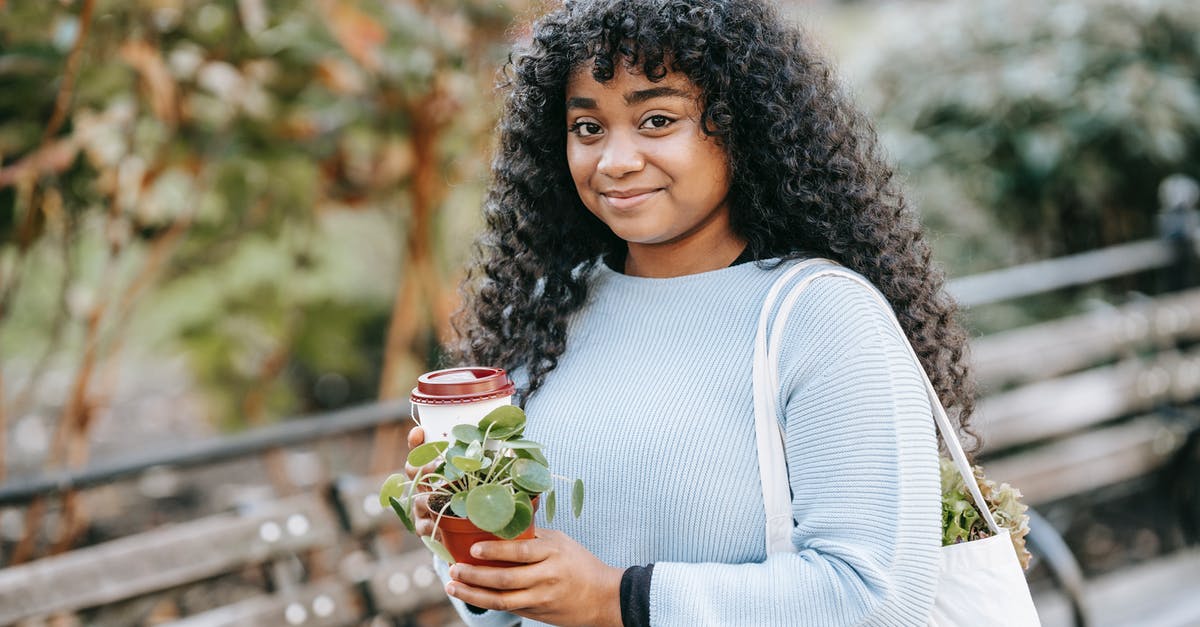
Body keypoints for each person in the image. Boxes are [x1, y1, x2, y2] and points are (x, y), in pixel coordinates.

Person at [405, 0, 979, 625]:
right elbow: (508, 614)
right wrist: (461, 531)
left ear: (742, 126)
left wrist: (615, 599)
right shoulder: (551, 313)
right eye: (588, 128)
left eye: (656, 119)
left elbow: (878, 599)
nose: (614, 161)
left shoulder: (822, 316)